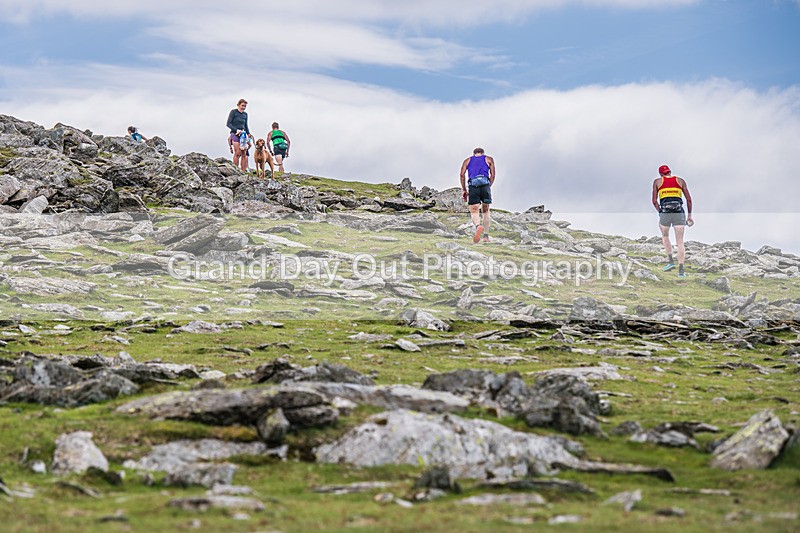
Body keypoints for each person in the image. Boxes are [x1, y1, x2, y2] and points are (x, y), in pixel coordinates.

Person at [652, 164, 694, 278]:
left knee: (665, 236)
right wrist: (689, 216)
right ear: (670, 172)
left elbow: (654, 201)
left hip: (665, 212)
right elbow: (689, 199)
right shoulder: (680, 181)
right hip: (679, 212)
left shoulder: (657, 182)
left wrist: (660, 211)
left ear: (661, 173)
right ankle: (681, 270)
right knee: (680, 242)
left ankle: (670, 261)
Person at [459, 147, 495, 243]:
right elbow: (493, 175)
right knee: (486, 210)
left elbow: (462, 175)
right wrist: (489, 185)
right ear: (482, 153)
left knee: (474, 210)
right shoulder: (489, 159)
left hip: (473, 186)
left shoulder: (467, 160)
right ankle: (486, 236)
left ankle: (478, 226)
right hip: (485, 185)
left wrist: (464, 189)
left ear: (474, 153)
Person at [226, 98, 252, 172]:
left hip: (243, 135)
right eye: (242, 105)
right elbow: (228, 124)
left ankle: (243, 171)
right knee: (237, 152)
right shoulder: (233, 112)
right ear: (238, 105)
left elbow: (246, 125)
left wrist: (248, 133)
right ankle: (235, 170)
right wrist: (236, 130)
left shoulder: (245, 114)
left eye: (245, 106)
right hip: (235, 133)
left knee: (244, 153)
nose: (243, 107)